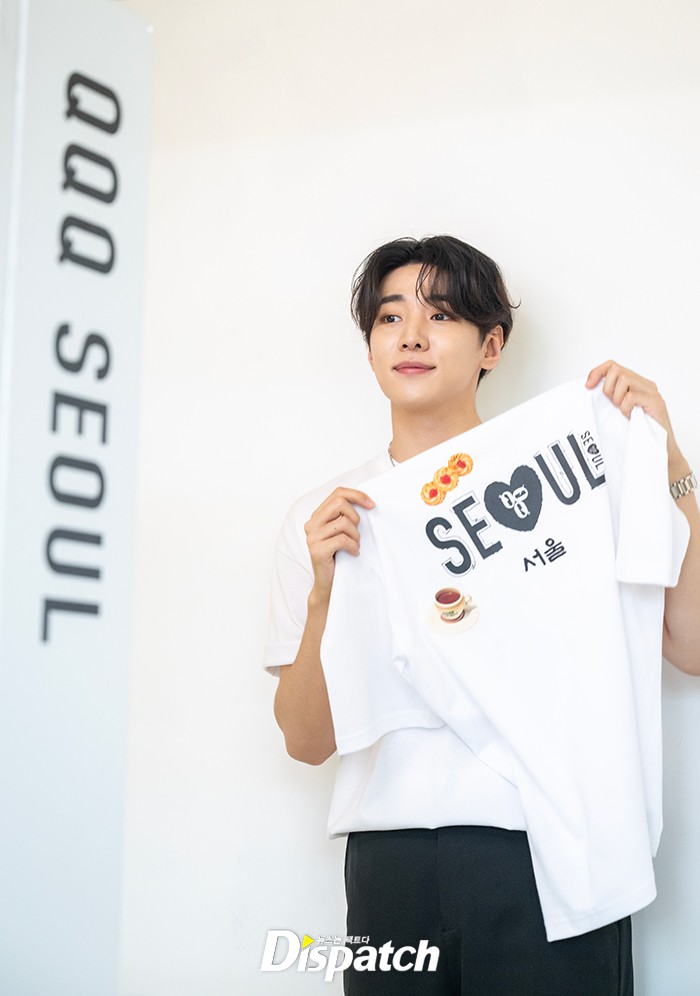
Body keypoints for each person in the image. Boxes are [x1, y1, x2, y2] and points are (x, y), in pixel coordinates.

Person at [264, 235, 700, 995]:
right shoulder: (325, 519)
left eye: (440, 315)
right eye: (390, 317)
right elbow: (306, 743)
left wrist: (669, 467)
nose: (411, 336)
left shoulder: (565, 482)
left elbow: (691, 647)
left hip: (549, 845)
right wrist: (324, 593)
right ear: (369, 348)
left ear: (491, 346)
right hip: (389, 863)